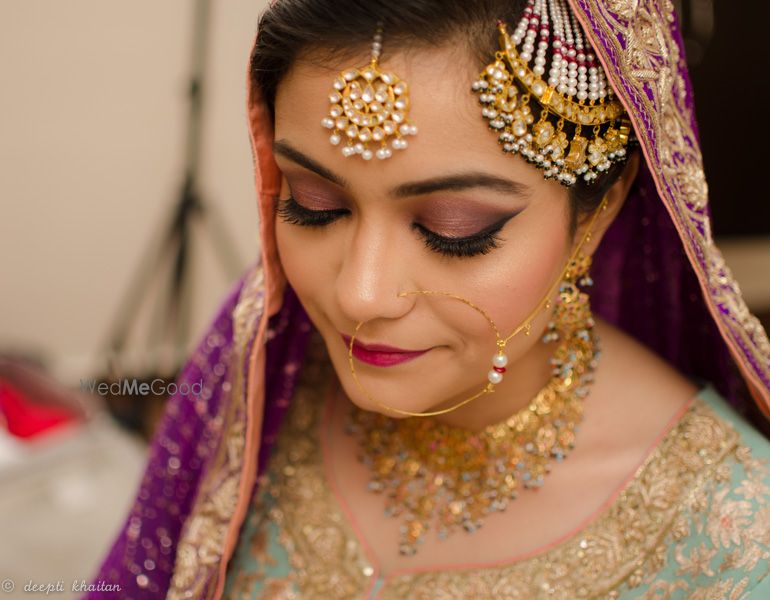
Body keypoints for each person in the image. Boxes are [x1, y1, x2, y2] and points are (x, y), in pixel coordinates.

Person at [85, 0, 770, 598]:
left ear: (599, 209)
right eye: (316, 206)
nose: (362, 294)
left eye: (454, 231)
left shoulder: (735, 535)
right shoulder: (263, 364)